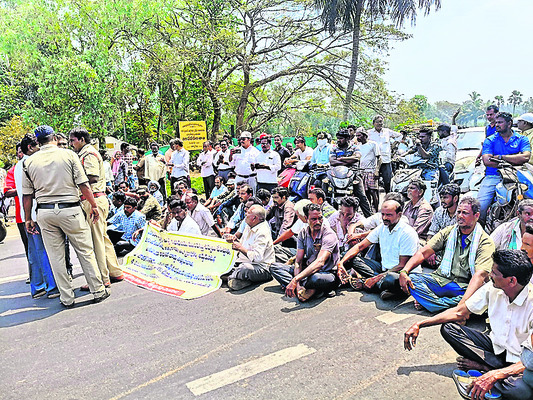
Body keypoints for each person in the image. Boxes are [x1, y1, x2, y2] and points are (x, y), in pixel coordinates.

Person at [404, 250, 533, 400]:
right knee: (449, 328)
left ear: (511, 281)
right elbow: (459, 312)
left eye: (494, 272)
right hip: (495, 347)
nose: (490, 275)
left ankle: (488, 369)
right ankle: (492, 368)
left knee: (520, 391)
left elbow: (530, 361)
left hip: (520, 362)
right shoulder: (492, 288)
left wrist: (495, 374)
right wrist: (419, 324)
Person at [22, 126, 108, 307]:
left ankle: (67, 298)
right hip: (70, 209)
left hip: (45, 213)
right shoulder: (69, 155)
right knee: (85, 251)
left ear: (38, 142)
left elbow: (27, 195)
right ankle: (98, 290)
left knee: (56, 257)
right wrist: (93, 205)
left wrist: (28, 218)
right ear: (53, 137)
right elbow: (83, 183)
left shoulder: (28, 162)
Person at [399, 197, 494, 312]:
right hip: (441, 280)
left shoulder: (485, 242)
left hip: (464, 286)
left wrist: (463, 302)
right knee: (412, 279)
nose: (460, 216)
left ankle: (436, 304)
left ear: (476, 215)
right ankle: (451, 307)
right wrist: (404, 271)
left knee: (481, 296)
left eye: (465, 213)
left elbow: (479, 276)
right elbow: (423, 253)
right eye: (459, 212)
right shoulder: (449, 232)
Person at [69, 127, 124, 290]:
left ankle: (101, 277)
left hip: (93, 199)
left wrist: (73, 180)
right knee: (102, 237)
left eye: (73, 140)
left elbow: (92, 177)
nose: (71, 144)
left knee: (96, 240)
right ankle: (114, 271)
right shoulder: (86, 153)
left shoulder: (88, 154)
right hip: (97, 199)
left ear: (82, 139)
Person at [337, 199, 419, 300]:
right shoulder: (382, 227)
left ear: (399, 214)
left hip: (400, 273)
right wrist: (341, 263)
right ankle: (381, 287)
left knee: (390, 280)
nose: (385, 218)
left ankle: (368, 284)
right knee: (349, 257)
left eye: (389, 215)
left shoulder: (407, 233)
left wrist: (375, 279)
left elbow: (402, 265)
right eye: (383, 214)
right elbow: (359, 246)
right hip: (383, 269)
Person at [16, 134, 59, 299]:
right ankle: (51, 286)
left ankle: (38, 286)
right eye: (37, 145)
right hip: (35, 213)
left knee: (34, 252)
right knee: (43, 251)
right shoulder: (31, 163)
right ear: (30, 148)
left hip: (27, 214)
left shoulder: (20, 165)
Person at [270, 204, 340, 301]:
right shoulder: (303, 233)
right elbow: (298, 261)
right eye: (313, 219)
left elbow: (320, 263)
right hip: (307, 270)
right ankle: (308, 290)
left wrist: (295, 279)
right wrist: (298, 285)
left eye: (320, 218)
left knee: (316, 278)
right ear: (306, 218)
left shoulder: (329, 234)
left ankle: (309, 288)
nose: (318, 222)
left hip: (326, 273)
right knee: (275, 267)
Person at [478, 112, 531, 224]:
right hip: (494, 176)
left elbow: (525, 157)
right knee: (480, 207)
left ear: (509, 124)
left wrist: (501, 157)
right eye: (496, 122)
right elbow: (487, 161)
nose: (497, 125)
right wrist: (515, 159)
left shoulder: (522, 139)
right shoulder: (490, 140)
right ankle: (479, 232)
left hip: (517, 175)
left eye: (500, 122)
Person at [224, 205, 275, 291]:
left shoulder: (262, 232)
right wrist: (235, 241)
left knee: (244, 269)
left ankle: (229, 277)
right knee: (224, 261)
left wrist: (240, 248)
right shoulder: (249, 226)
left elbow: (257, 258)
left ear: (254, 218)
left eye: (248, 213)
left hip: (262, 267)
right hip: (243, 261)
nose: (245, 214)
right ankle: (239, 278)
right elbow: (244, 245)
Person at [329, 129, 373, 217]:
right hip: (337, 176)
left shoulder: (355, 147)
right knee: (326, 191)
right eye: (338, 138)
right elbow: (332, 162)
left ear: (348, 138)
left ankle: (369, 218)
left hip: (352, 174)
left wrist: (341, 159)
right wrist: (349, 160)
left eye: (341, 138)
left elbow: (357, 158)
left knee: (361, 196)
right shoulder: (334, 148)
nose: (338, 140)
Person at [367, 115, 402, 193]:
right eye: (378, 122)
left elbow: (400, 136)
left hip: (386, 160)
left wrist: (394, 144)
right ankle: (375, 201)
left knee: (388, 181)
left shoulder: (387, 131)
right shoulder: (369, 133)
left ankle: (388, 197)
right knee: (373, 183)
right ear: (373, 123)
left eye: (381, 122)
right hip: (374, 161)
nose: (380, 124)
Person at [355, 128, 381, 212]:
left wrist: (377, 170)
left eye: (359, 135)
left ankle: (376, 210)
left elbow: (379, 158)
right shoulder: (357, 147)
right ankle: (369, 210)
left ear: (364, 135)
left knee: (373, 191)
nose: (358, 137)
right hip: (362, 171)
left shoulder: (373, 144)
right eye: (357, 136)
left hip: (371, 170)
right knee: (366, 193)